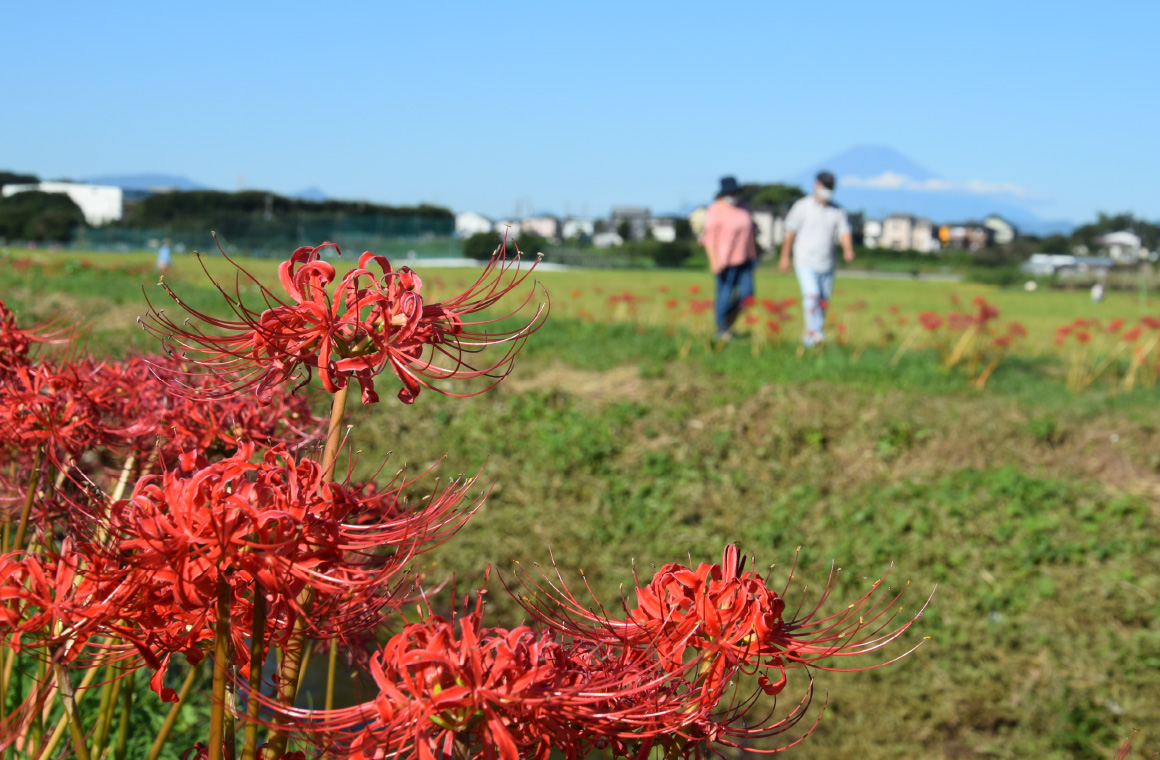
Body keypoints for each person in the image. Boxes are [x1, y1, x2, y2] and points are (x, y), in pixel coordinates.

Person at [779, 171, 854, 347]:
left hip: (827, 264)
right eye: (824, 187)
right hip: (804, 260)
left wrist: (848, 250)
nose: (827, 191)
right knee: (811, 295)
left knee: (822, 302)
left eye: (830, 188)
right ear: (816, 186)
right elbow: (790, 233)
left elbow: (845, 232)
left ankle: (809, 339)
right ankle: (817, 333)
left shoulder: (837, 210)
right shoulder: (802, 206)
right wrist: (784, 257)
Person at [699, 176, 757, 339]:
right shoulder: (715, 209)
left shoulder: (744, 207)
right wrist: (714, 260)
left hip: (745, 259)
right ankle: (721, 330)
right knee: (724, 296)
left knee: (747, 295)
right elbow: (709, 238)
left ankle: (728, 324)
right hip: (725, 261)